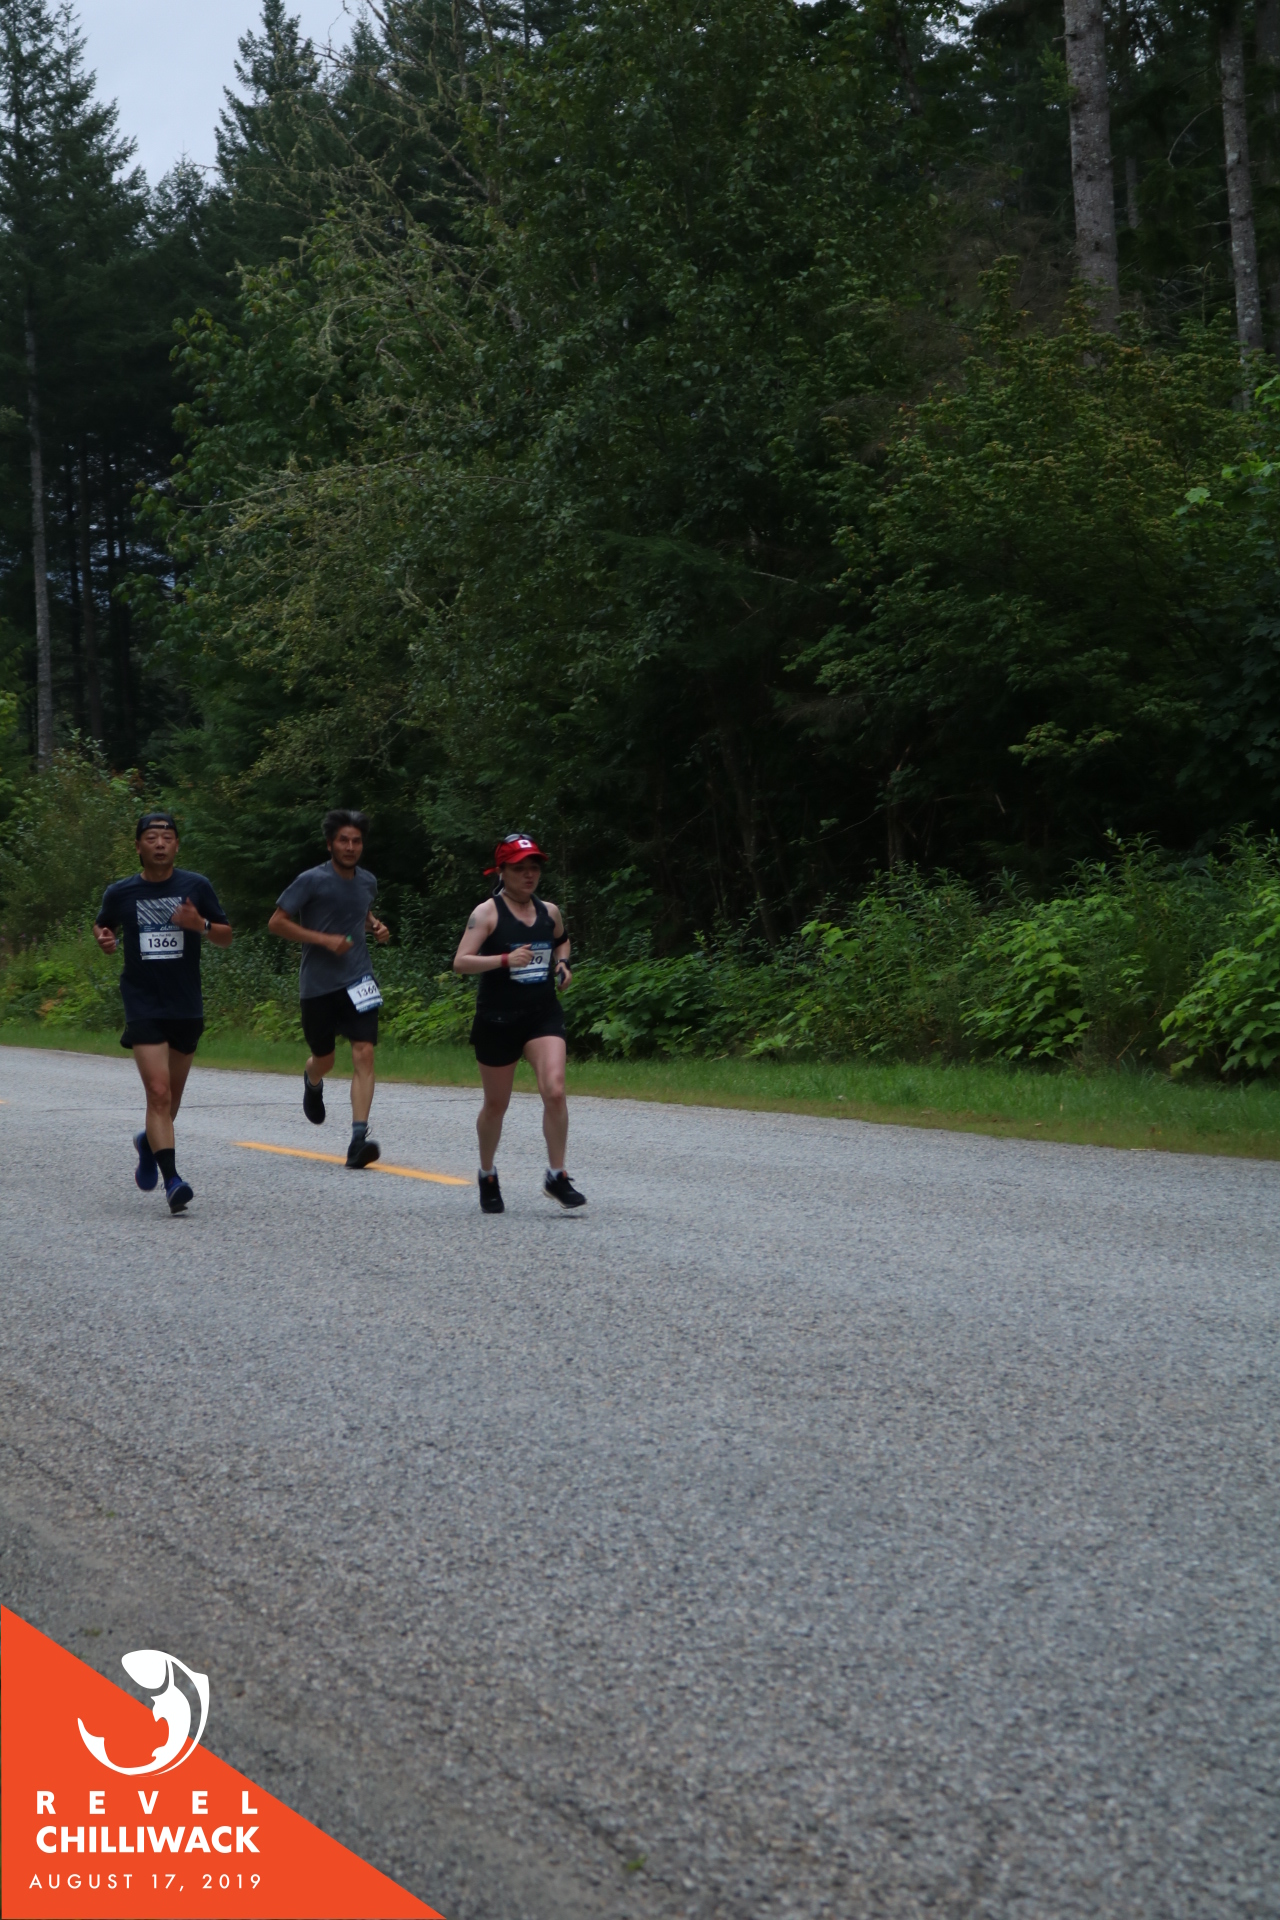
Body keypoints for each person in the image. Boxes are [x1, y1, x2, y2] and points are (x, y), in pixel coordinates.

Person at [92, 811, 233, 1214]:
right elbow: (103, 927)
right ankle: (173, 1181)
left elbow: (226, 936)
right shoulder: (120, 892)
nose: (159, 843)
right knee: (158, 1092)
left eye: (167, 837)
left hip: (185, 1004)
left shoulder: (195, 886)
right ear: (138, 846)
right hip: (143, 1003)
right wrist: (104, 939)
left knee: (170, 1101)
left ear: (177, 845)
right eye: (151, 837)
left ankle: (147, 1142)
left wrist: (200, 924)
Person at [453, 832, 584, 1213]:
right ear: (502, 871)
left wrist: (563, 963)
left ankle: (556, 1175)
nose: (529, 875)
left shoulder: (549, 911)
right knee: (496, 1105)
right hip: (497, 1019)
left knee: (555, 1090)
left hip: (542, 1014)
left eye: (534, 868)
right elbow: (461, 962)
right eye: (519, 868)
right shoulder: (486, 914)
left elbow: (561, 940)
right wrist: (503, 961)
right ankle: (487, 1173)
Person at [268, 809, 390, 1169]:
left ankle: (357, 1141)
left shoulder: (367, 881)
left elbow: (359, 912)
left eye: (356, 841)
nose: (350, 847)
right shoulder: (311, 880)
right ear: (330, 844)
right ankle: (312, 1079)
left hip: (359, 978)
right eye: (343, 840)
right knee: (325, 1059)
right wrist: (324, 940)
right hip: (318, 985)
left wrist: (375, 926)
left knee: (364, 1053)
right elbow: (277, 923)